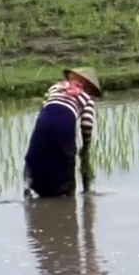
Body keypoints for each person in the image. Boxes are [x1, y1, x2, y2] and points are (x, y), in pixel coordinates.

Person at [24, 67, 101, 199]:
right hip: (64, 126)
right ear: (89, 88)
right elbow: (86, 125)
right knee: (65, 161)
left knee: (36, 155)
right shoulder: (87, 98)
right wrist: (85, 149)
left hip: (43, 122)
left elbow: (44, 107)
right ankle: (67, 195)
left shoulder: (56, 87)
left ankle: (29, 187)